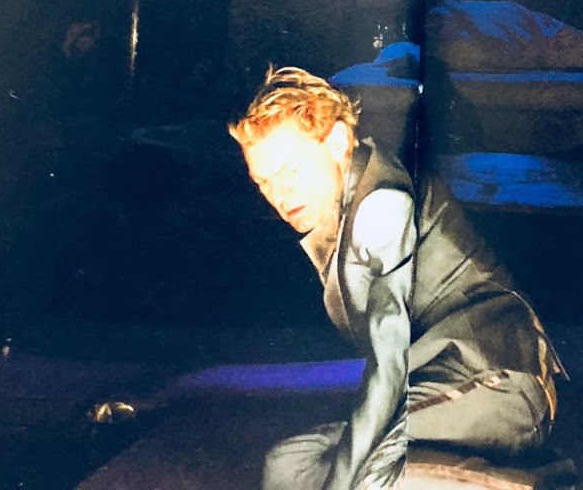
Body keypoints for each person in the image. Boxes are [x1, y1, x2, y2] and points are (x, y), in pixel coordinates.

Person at [231, 66, 563, 490]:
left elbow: (387, 369)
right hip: (437, 383)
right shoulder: (345, 201)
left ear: (337, 143)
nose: (280, 194)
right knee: (288, 464)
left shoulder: (383, 206)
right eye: (264, 182)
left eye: (291, 170)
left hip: (498, 382)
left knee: (368, 473)